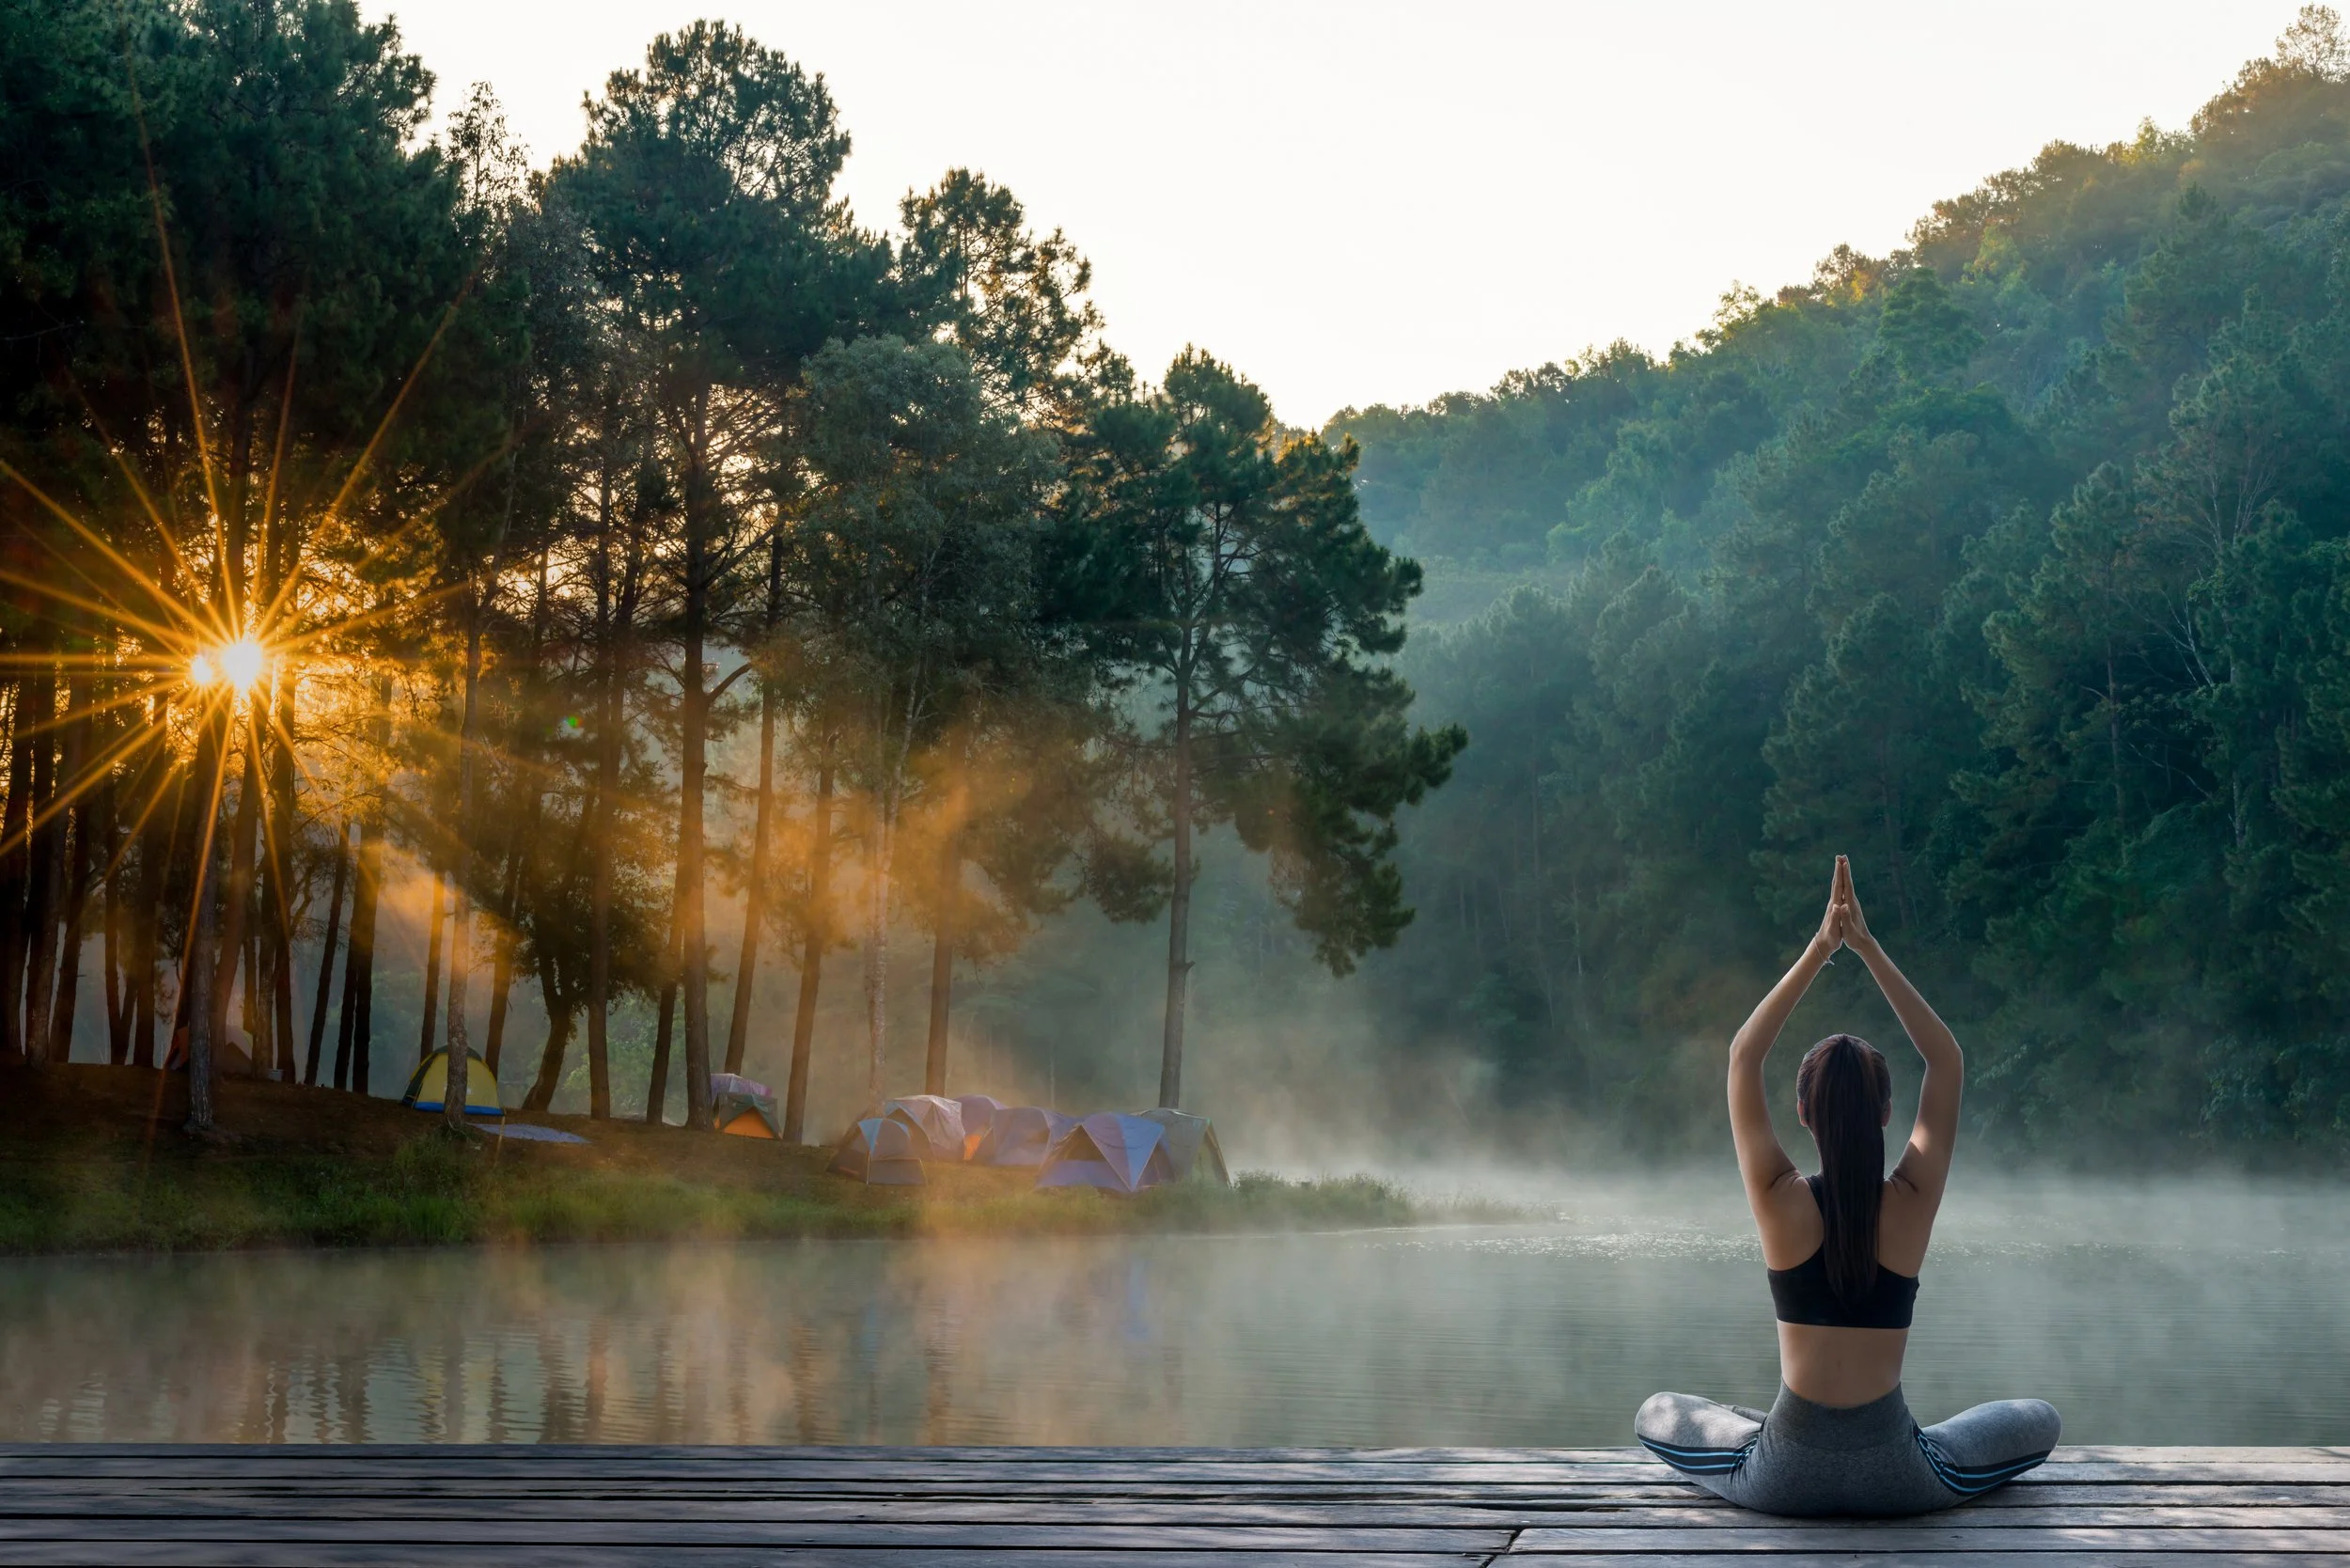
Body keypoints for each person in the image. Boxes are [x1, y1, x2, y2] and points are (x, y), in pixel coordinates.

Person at [1633, 855, 2059, 1516]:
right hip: (1900, 1478)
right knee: (2039, 1417)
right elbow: (1945, 1059)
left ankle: (1747, 1424)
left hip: (1783, 1477)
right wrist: (1867, 946)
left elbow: (1743, 1055)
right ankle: (1769, 1427)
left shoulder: (1780, 1198)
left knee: (1657, 1411)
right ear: (1887, 1113)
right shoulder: (1910, 1201)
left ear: (1803, 1114)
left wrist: (1821, 947)